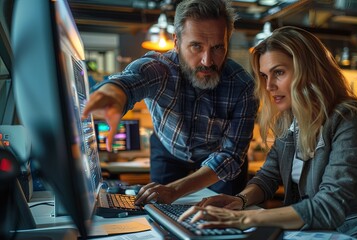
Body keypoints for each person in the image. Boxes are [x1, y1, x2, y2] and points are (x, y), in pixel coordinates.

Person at [178, 26, 357, 239]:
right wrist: (239, 200)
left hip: (348, 233)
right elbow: (268, 176)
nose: (269, 86)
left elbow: (330, 206)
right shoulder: (289, 120)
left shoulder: (347, 117)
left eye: (279, 72)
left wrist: (243, 219)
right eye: (264, 76)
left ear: (309, 69)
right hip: (307, 231)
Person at [82, 0, 258, 205]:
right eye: (196, 46)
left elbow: (231, 155)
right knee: (159, 209)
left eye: (218, 47)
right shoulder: (161, 68)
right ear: (176, 42)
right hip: (168, 151)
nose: (207, 61)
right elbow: (132, 80)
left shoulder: (243, 86)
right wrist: (114, 93)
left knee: (227, 216)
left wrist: (176, 190)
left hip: (220, 159)